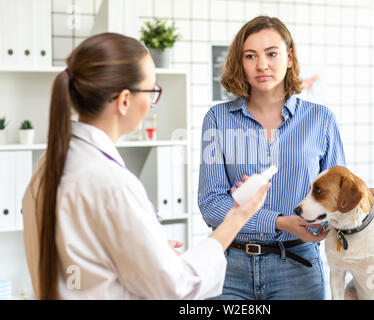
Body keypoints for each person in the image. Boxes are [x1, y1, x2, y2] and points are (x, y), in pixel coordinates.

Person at [22, 32, 270, 300]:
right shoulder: (112, 184)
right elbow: (176, 287)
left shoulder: (52, 162)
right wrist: (237, 218)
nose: (152, 102)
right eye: (152, 90)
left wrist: (144, 251)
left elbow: (81, 257)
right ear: (125, 100)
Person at [198, 16, 374, 300]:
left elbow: (334, 200)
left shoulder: (321, 120)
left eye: (272, 53)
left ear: (289, 58)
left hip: (297, 268)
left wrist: (366, 198)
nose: (261, 65)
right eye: (250, 55)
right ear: (239, 62)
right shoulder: (217, 120)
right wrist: (279, 222)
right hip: (229, 269)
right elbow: (211, 205)